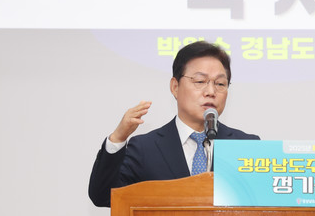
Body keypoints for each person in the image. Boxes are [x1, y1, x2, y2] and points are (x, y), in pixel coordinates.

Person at [88, 41, 259, 207]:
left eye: (220, 84)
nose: (211, 91)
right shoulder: (145, 149)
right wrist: (118, 138)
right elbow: (103, 197)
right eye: (200, 81)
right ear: (175, 87)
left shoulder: (246, 147)